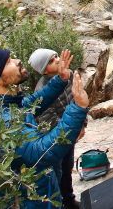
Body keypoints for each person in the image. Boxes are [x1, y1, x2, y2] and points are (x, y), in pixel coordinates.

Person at [0, 48, 88, 209]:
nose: (17, 61)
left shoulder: (6, 105)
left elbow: (32, 102)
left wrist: (60, 79)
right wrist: (77, 109)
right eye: (8, 62)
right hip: (28, 202)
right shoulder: (0, 122)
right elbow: (39, 154)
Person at [28, 49, 81, 209]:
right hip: (55, 139)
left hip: (69, 133)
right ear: (43, 70)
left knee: (68, 168)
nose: (57, 60)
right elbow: (48, 119)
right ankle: (59, 204)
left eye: (56, 56)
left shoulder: (68, 76)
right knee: (57, 173)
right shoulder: (41, 90)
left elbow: (77, 99)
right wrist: (71, 129)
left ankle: (69, 200)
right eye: (51, 61)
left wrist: (81, 124)